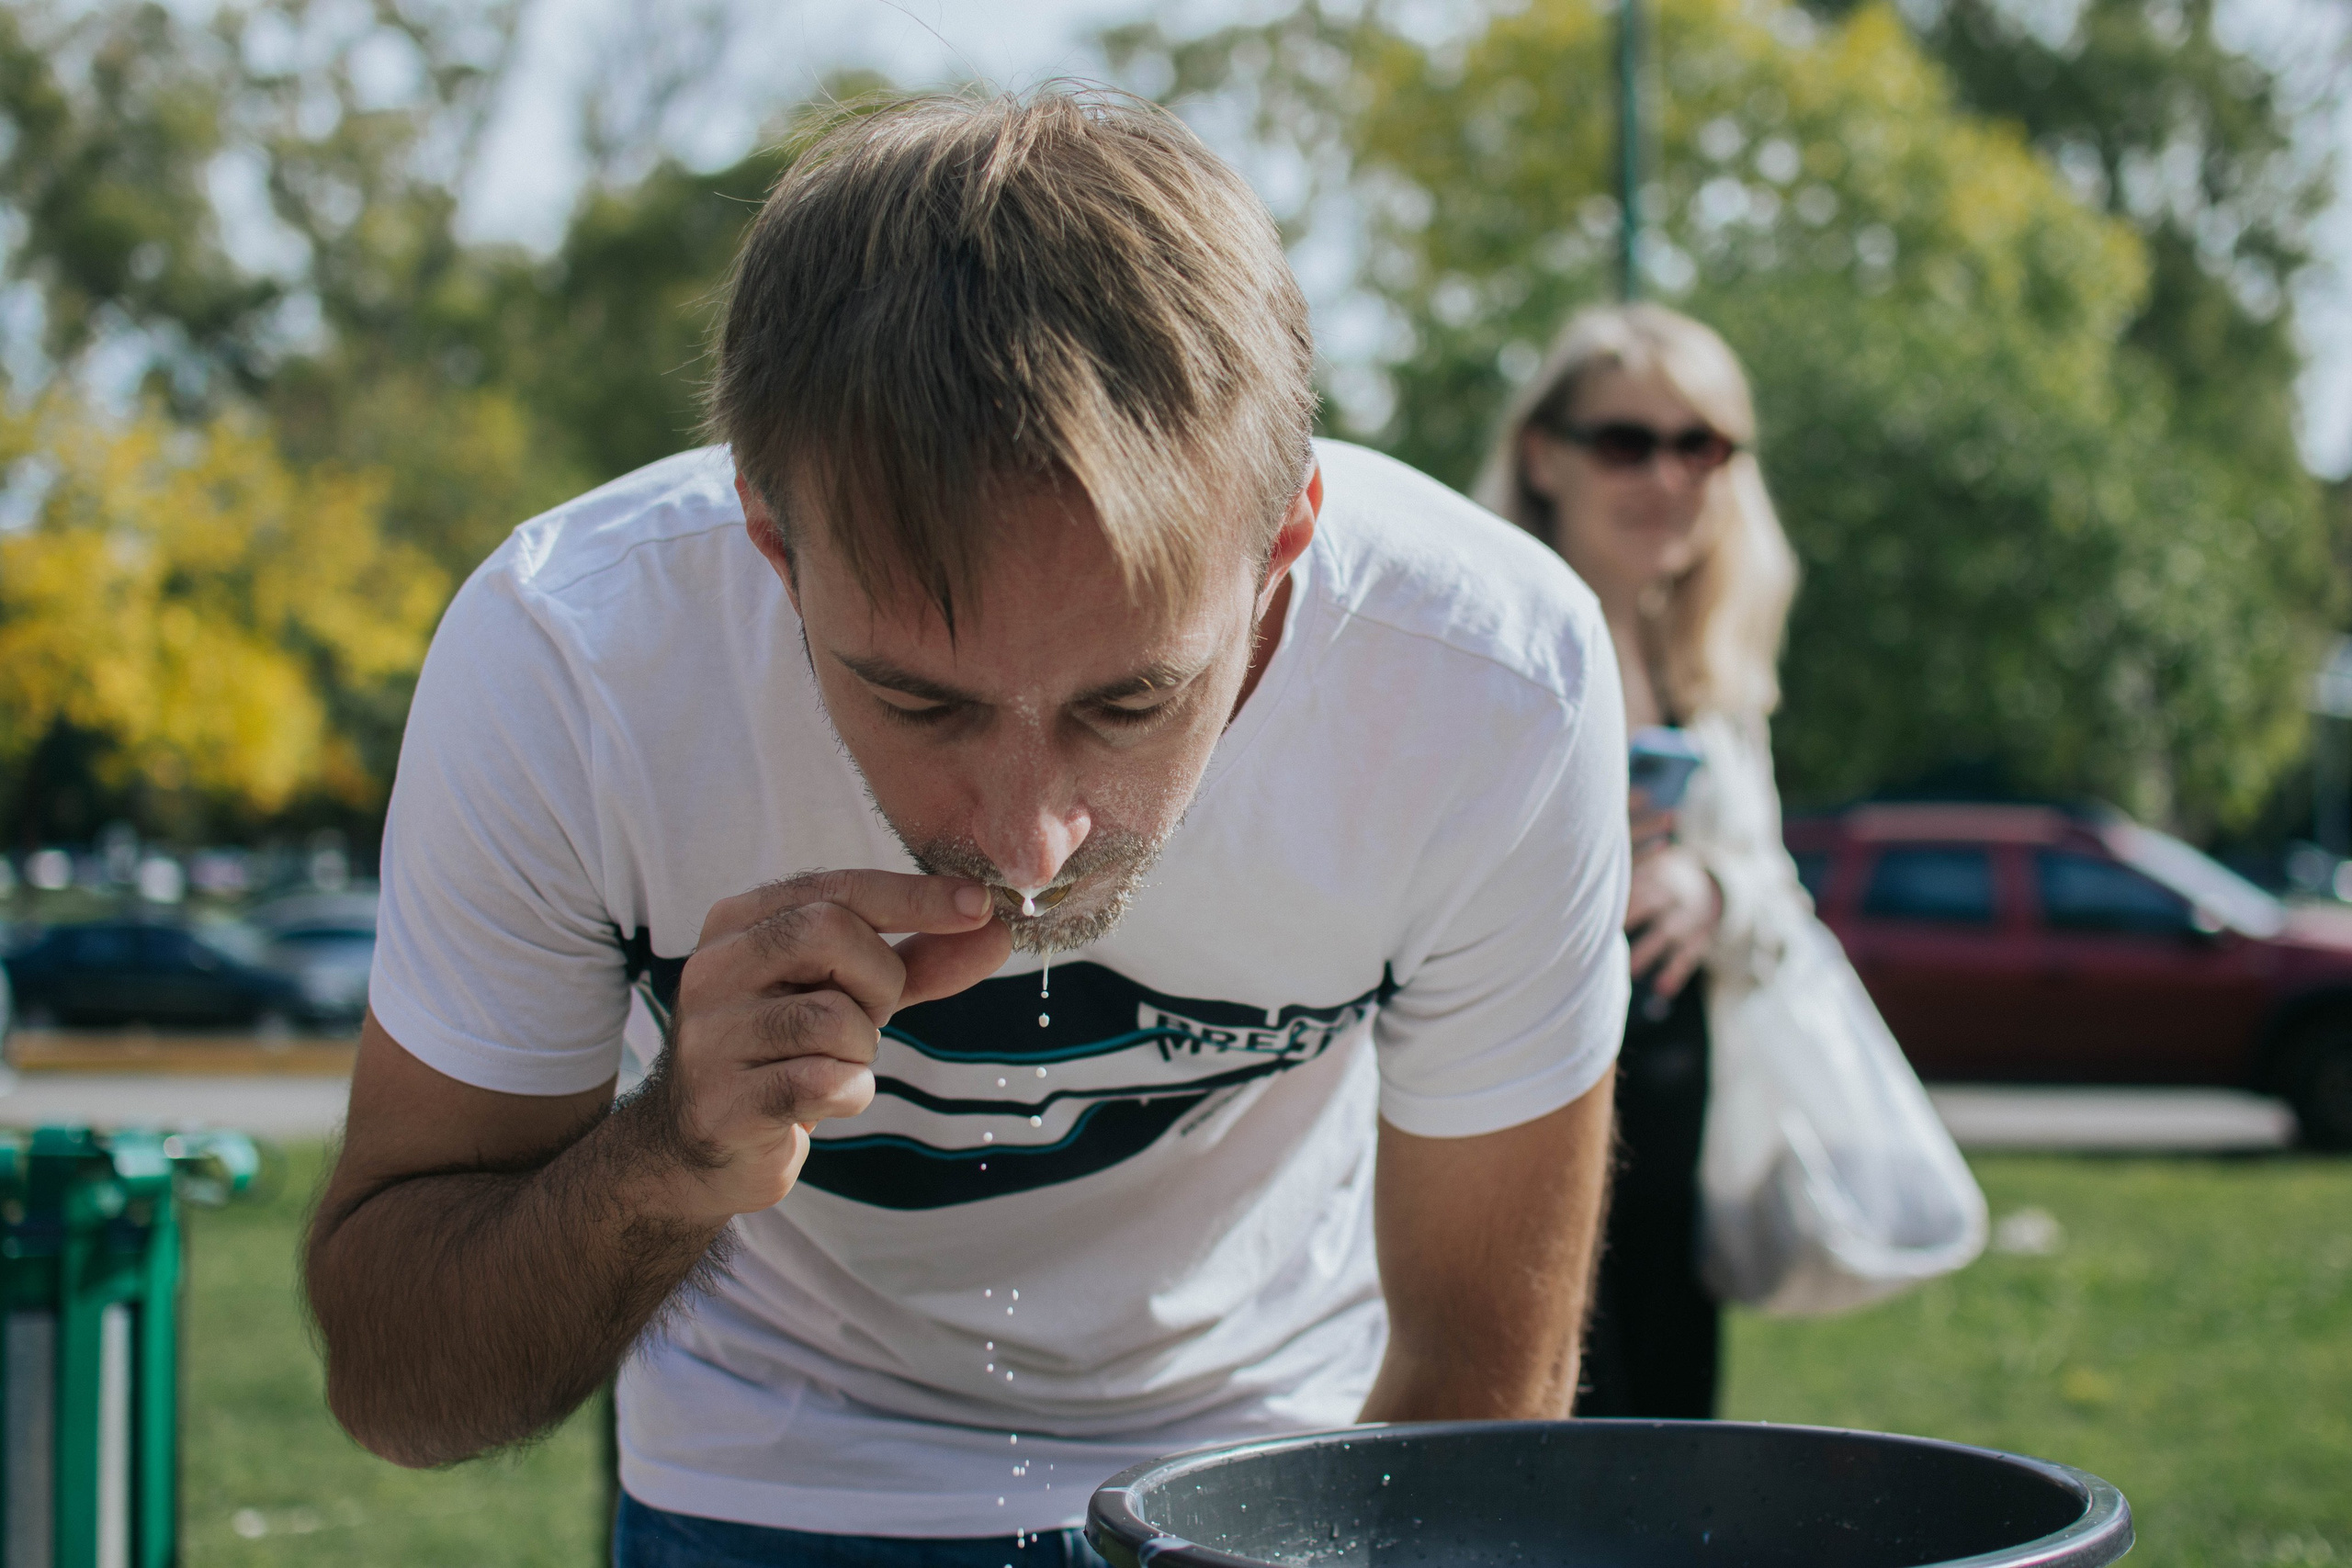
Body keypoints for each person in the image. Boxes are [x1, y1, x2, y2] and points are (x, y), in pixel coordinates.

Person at [306, 91, 1632, 1563]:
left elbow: (1480, 1394)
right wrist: (670, 1152)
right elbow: (400, 1381)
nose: (1029, 838)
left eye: (1130, 702)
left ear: (1284, 552)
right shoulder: (573, 661)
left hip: (1269, 1472)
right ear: (769, 541)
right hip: (774, 1485)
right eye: (916, 701)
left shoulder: (1490, 683)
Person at [1474, 302, 1810, 1418]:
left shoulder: (1709, 659)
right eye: (1626, 440)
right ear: (1542, 454)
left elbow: (1779, 901)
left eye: (1700, 444)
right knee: (1528, 1437)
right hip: (1503, 1098)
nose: (1666, 474)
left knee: (1669, 1437)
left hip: (1674, 1110)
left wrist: (1712, 889)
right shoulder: (1477, 636)